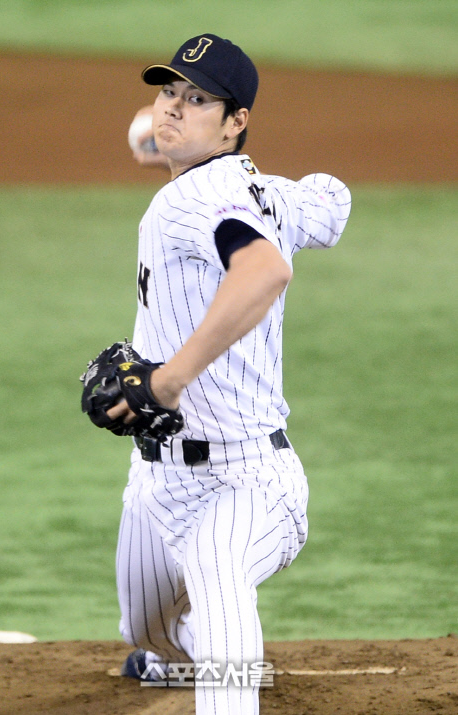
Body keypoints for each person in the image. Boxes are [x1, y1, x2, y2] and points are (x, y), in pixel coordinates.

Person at [108, 33, 351, 715]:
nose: (173, 106)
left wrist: (168, 379)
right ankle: (178, 660)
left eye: (197, 100)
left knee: (218, 576)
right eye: (168, 93)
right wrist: (273, 193)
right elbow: (330, 200)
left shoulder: (191, 200)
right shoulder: (252, 191)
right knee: (149, 631)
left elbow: (265, 270)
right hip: (158, 481)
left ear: (235, 121)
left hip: (247, 480)